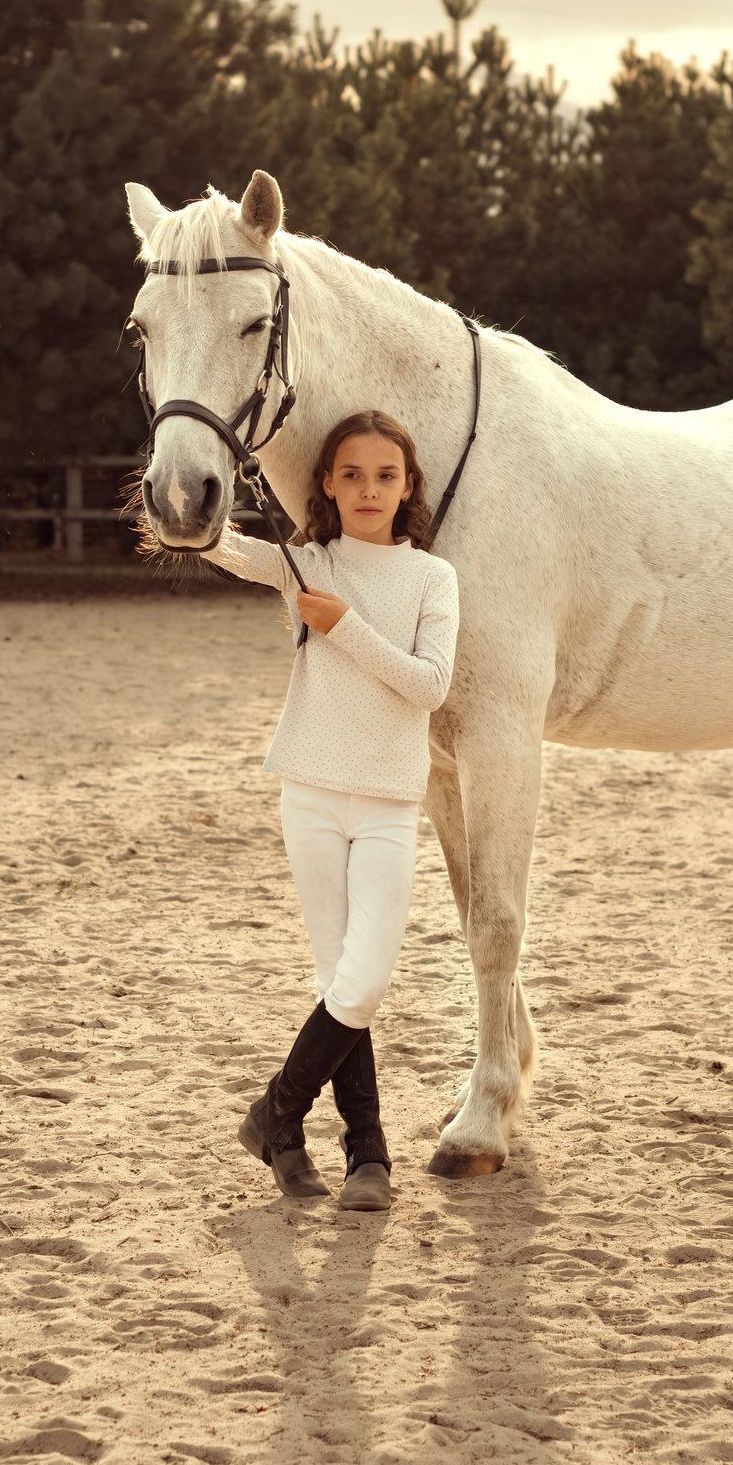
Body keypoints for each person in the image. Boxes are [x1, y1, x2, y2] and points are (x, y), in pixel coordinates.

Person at [202, 410, 459, 1211]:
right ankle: (367, 1155)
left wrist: (343, 625)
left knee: (364, 980)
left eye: (385, 475)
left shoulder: (431, 578)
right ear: (326, 484)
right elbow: (218, 544)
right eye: (351, 474)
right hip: (309, 791)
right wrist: (183, 477)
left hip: (387, 800)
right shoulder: (305, 562)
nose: (369, 489)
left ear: (408, 484)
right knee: (336, 976)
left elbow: (429, 685)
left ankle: (276, 1113)